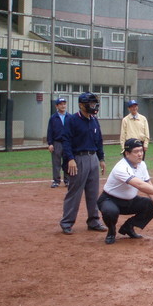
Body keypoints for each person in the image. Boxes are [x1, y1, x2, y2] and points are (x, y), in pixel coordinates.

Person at [98, 138, 153, 244]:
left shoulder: (142, 164)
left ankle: (128, 227)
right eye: (136, 151)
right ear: (127, 153)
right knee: (110, 212)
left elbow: (147, 183)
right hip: (110, 199)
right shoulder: (121, 168)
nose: (140, 154)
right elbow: (139, 185)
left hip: (130, 200)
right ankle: (111, 231)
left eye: (141, 151)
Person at [59, 92, 107, 234]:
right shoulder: (72, 120)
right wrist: (70, 159)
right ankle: (67, 222)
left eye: (94, 103)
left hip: (93, 158)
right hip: (78, 159)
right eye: (90, 104)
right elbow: (66, 141)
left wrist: (101, 158)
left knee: (93, 192)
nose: (93, 106)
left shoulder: (94, 120)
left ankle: (93, 221)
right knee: (75, 192)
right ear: (81, 105)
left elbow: (99, 140)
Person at [47, 97, 72, 188]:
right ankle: (56, 181)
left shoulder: (70, 117)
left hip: (68, 143)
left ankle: (67, 180)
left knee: (67, 162)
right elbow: (50, 131)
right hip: (57, 142)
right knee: (56, 162)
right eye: (61, 104)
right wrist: (50, 143)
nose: (63, 106)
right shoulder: (53, 118)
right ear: (56, 106)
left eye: (64, 104)